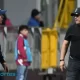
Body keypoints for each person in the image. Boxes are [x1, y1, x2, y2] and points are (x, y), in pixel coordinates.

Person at [60, 7, 80, 80]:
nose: (75, 17)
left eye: (77, 15)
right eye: (74, 15)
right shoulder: (71, 29)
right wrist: (62, 60)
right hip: (73, 62)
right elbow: (65, 44)